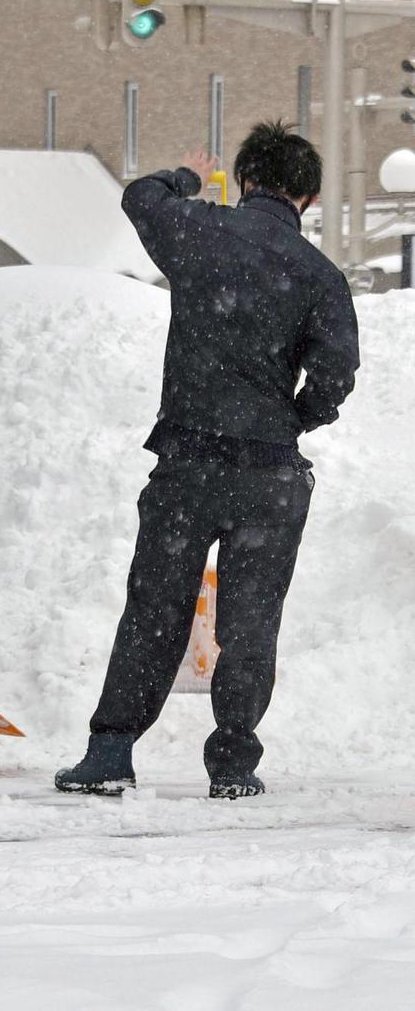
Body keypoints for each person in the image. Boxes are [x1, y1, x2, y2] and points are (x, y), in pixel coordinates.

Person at [56, 121, 360, 800]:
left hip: (185, 465)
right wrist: (290, 420)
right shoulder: (318, 275)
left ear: (247, 180)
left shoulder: (197, 230)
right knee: (250, 622)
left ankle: (109, 753)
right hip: (267, 477)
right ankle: (231, 766)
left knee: (154, 609)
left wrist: (187, 176)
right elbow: (336, 377)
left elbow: (139, 196)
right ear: (305, 200)